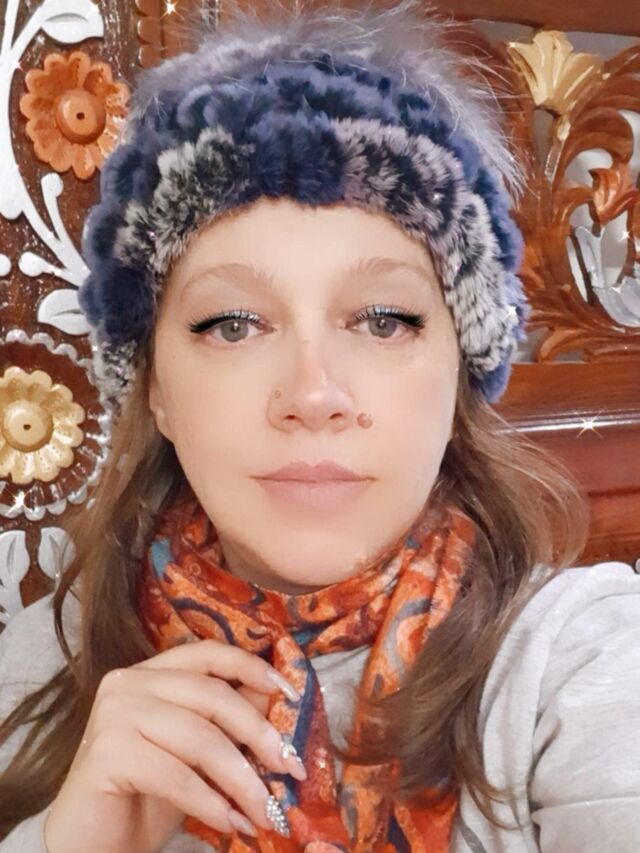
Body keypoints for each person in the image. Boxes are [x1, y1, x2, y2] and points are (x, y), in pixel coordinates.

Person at [1, 1, 639, 851]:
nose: (312, 393)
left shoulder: (581, 664)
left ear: (459, 372)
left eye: (383, 319)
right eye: (232, 324)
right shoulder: (45, 662)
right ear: (155, 391)